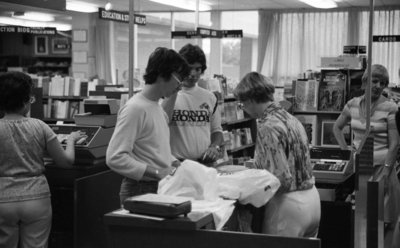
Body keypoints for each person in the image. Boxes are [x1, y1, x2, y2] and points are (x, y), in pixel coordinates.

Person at [0, 71, 86, 248]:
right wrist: (70, 140)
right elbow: (66, 162)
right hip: (36, 198)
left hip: (3, 199)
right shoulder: (40, 126)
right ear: (26, 100)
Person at [233, 71, 320, 237]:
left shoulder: (268, 126)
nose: (243, 109)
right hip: (312, 200)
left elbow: (282, 179)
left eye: (242, 104)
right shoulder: (290, 119)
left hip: (289, 206)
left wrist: (249, 194)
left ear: (250, 100)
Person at [106, 47, 190, 205]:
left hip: (158, 186)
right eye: (179, 79)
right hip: (139, 189)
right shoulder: (135, 109)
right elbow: (115, 157)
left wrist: (173, 162)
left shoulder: (157, 107)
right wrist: (158, 172)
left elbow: (153, 148)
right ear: (162, 73)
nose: (180, 87)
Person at [333, 64, 400, 231]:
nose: (378, 86)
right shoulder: (352, 105)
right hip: (361, 170)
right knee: (362, 224)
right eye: (375, 81)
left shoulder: (390, 107)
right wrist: (346, 151)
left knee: (382, 225)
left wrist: (386, 171)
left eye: (383, 83)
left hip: (382, 170)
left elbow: (395, 144)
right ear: (365, 82)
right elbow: (337, 128)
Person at [162, 43, 223, 164]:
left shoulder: (210, 97)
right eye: (189, 68)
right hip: (177, 164)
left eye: (198, 69)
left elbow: (217, 130)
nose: (193, 73)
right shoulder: (166, 95)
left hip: (205, 164)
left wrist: (214, 147)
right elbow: (160, 125)